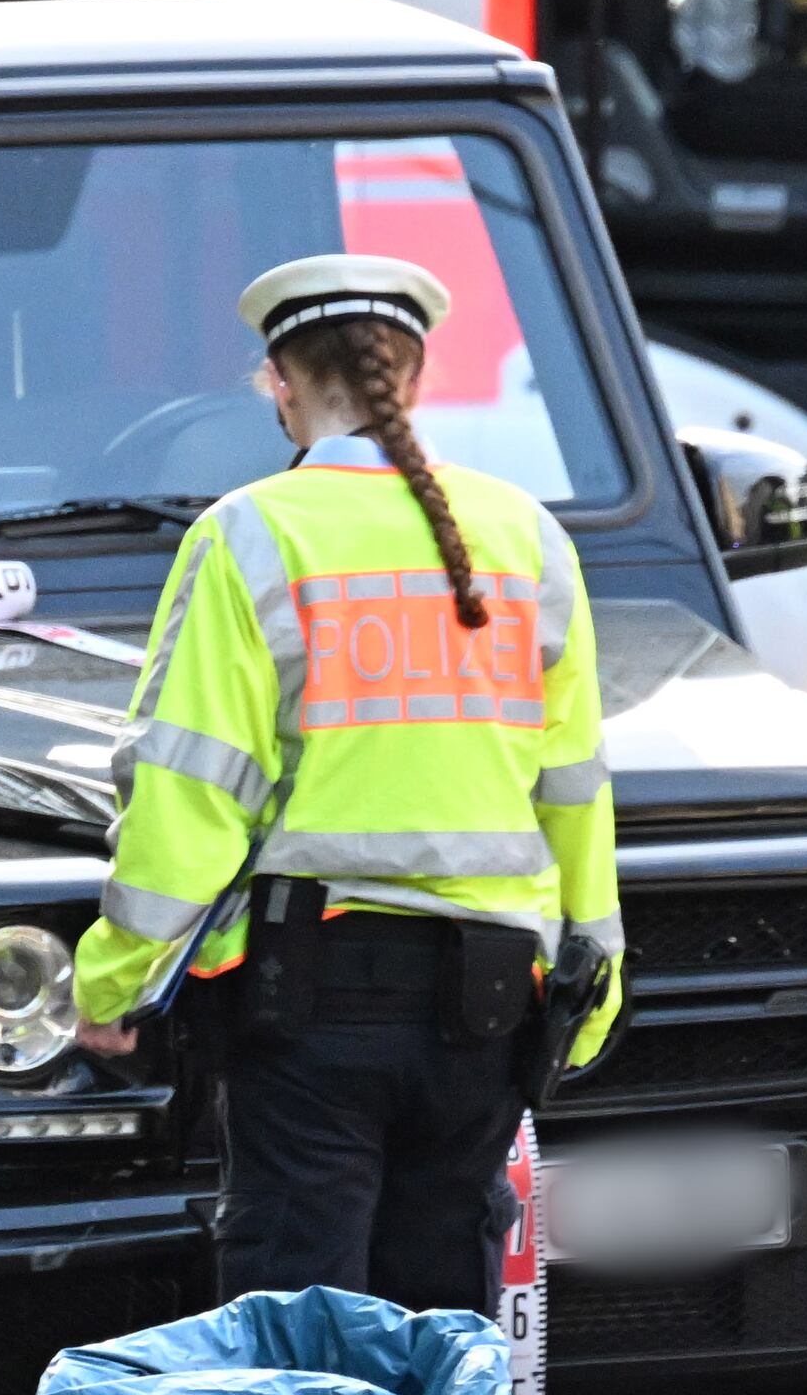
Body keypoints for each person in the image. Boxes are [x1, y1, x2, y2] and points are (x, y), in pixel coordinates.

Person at [68, 254, 622, 1311]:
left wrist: (114, 980)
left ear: (278, 380)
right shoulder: (526, 538)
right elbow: (572, 788)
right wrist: (594, 971)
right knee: (440, 1319)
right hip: (490, 1004)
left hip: (306, 1000)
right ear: (412, 376)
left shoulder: (249, 534)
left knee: (302, 1318)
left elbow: (190, 788)